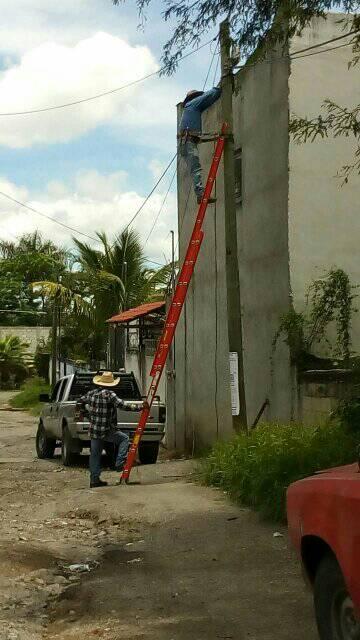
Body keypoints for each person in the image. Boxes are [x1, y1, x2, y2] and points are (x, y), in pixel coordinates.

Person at [80, 371, 130, 488]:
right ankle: (119, 462)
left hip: (94, 430)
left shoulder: (91, 394)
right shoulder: (109, 394)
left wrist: (87, 414)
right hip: (106, 429)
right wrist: (140, 407)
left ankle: (94, 480)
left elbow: (80, 402)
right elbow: (123, 405)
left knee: (95, 455)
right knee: (124, 439)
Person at [178, 86, 222, 204]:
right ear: (195, 98)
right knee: (196, 169)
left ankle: (200, 194)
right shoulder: (193, 104)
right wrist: (219, 88)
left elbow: (198, 137)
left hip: (187, 141)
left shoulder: (191, 110)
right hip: (188, 141)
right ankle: (201, 195)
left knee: (195, 169)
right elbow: (209, 96)